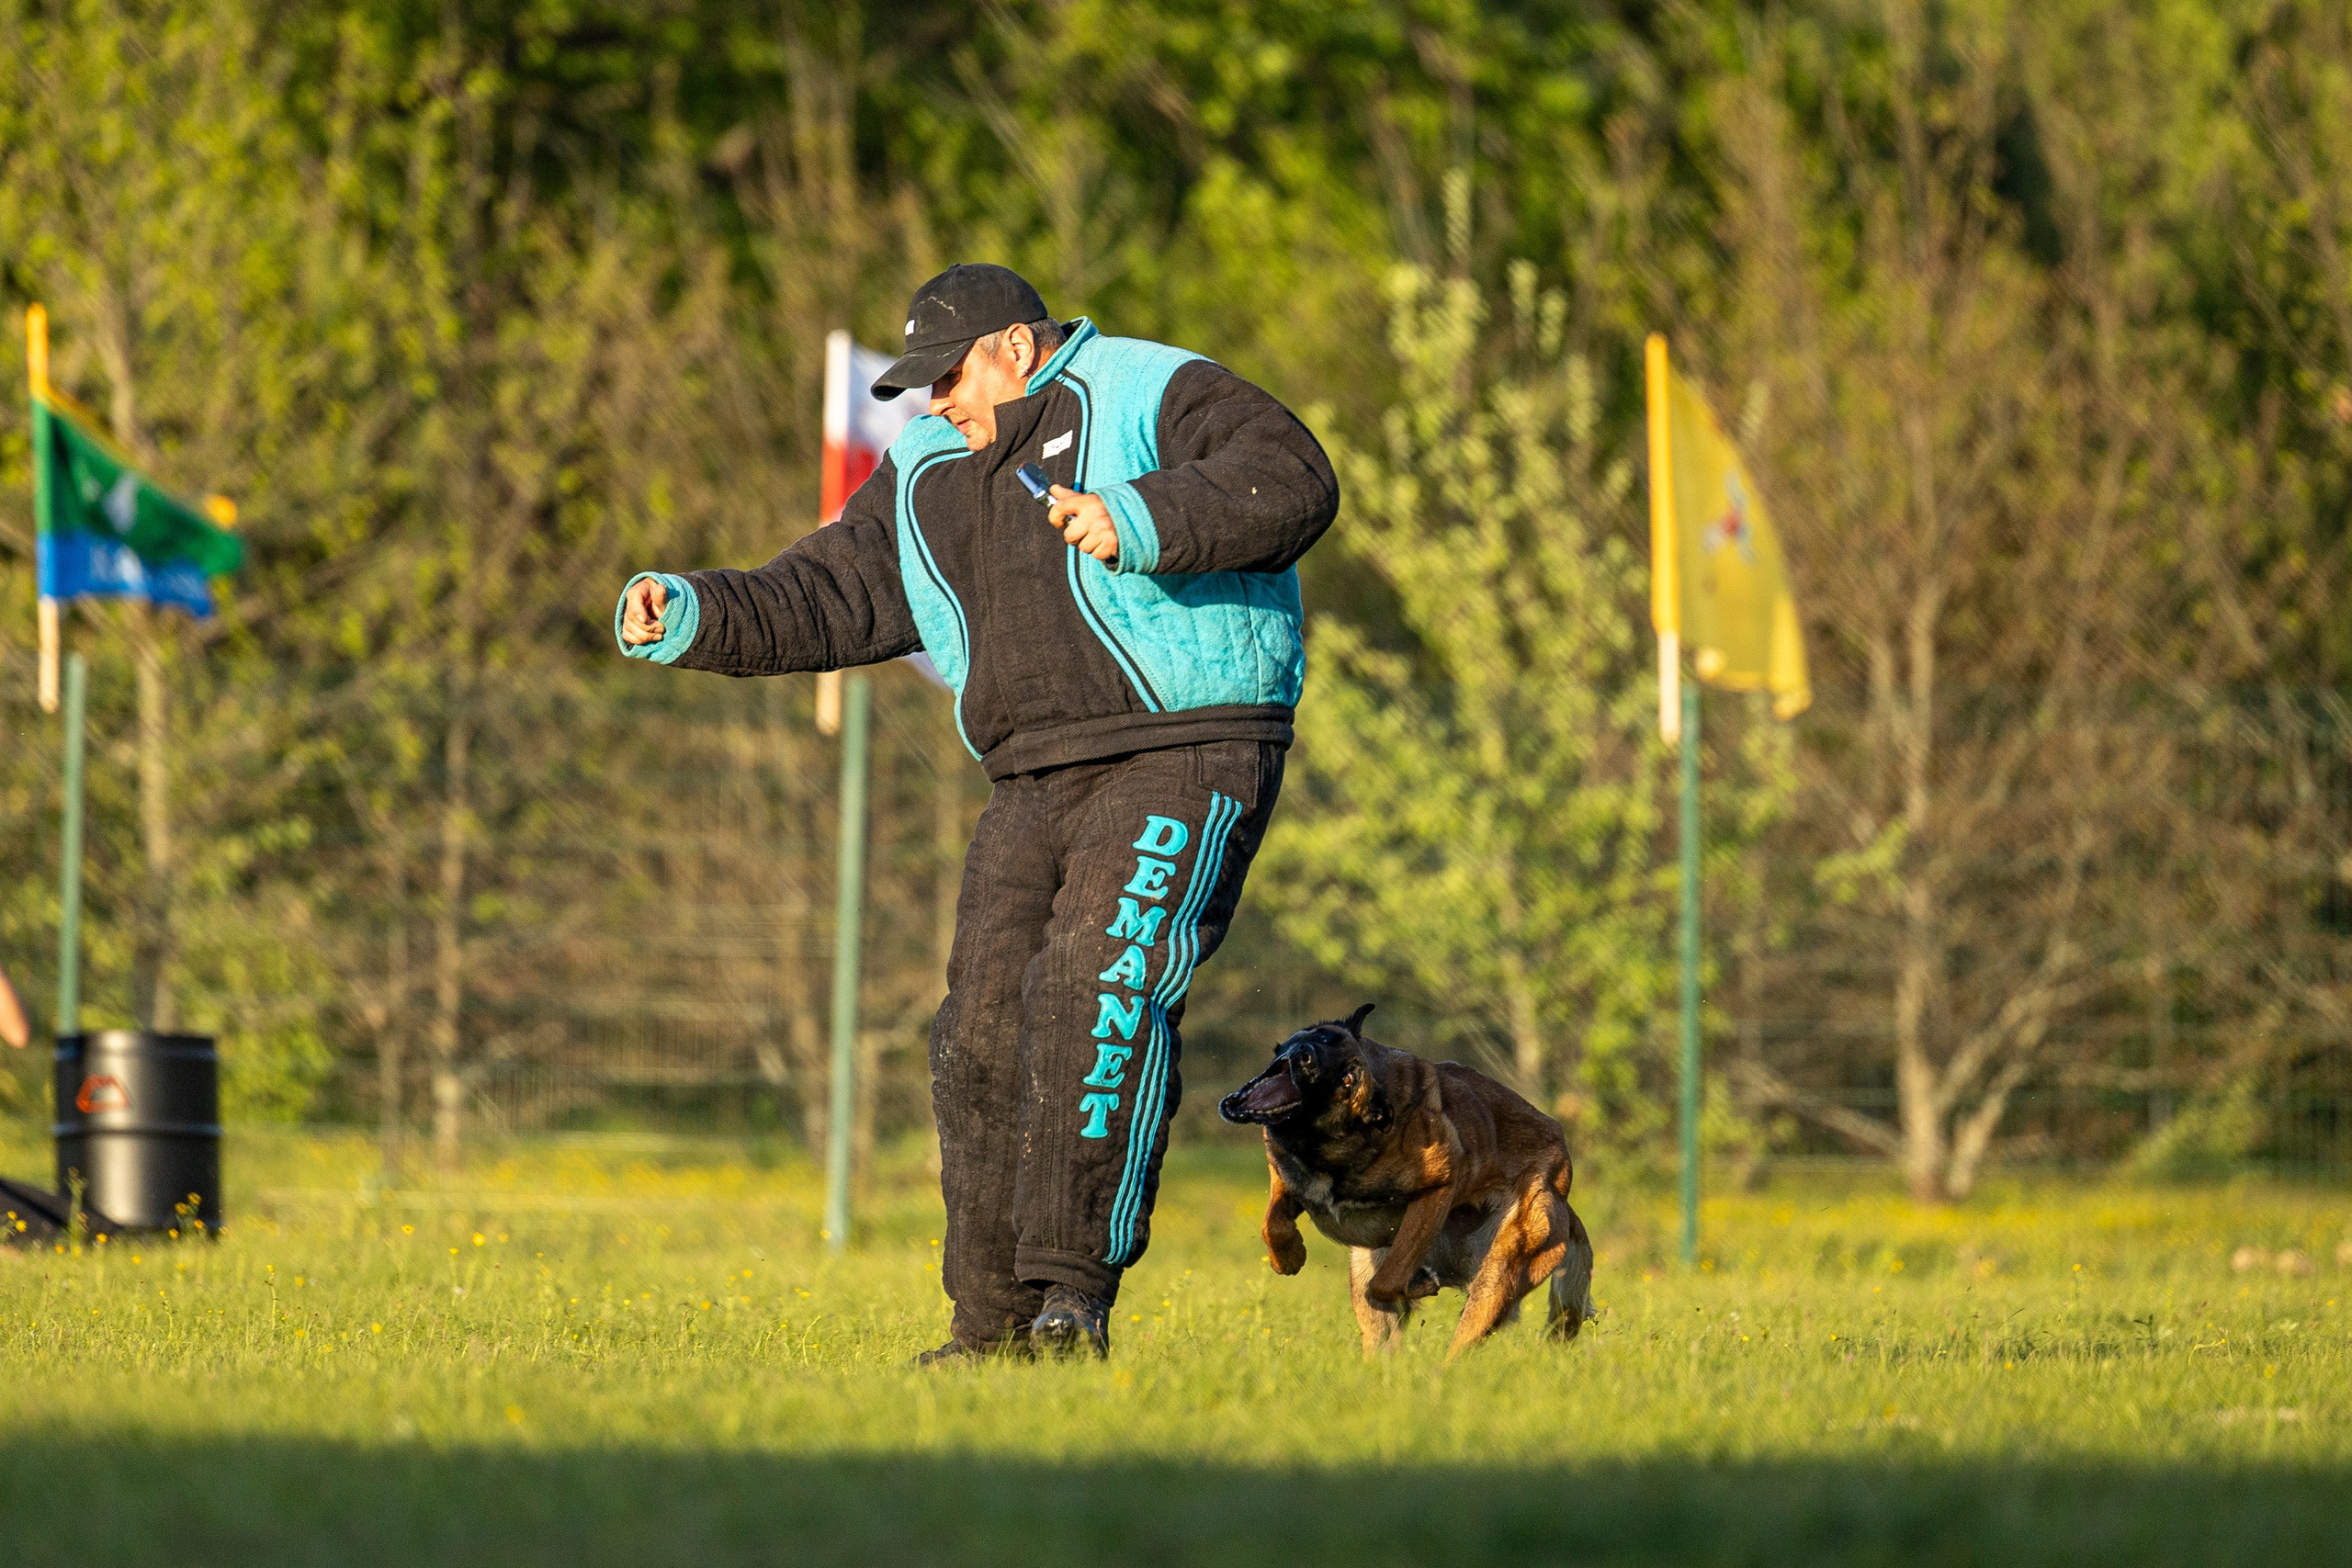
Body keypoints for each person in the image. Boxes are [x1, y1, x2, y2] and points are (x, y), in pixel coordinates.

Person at [616, 264, 1337, 1360]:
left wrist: (1138, 518)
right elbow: (836, 590)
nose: (936, 400)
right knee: (981, 1037)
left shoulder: (1153, 388)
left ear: (1015, 345)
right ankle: (990, 1328)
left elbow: (1289, 477)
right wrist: (696, 611)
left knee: (1091, 993)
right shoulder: (926, 470)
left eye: (949, 375)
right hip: (1029, 773)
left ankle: (1069, 1305)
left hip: (1186, 745)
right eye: (920, 385)